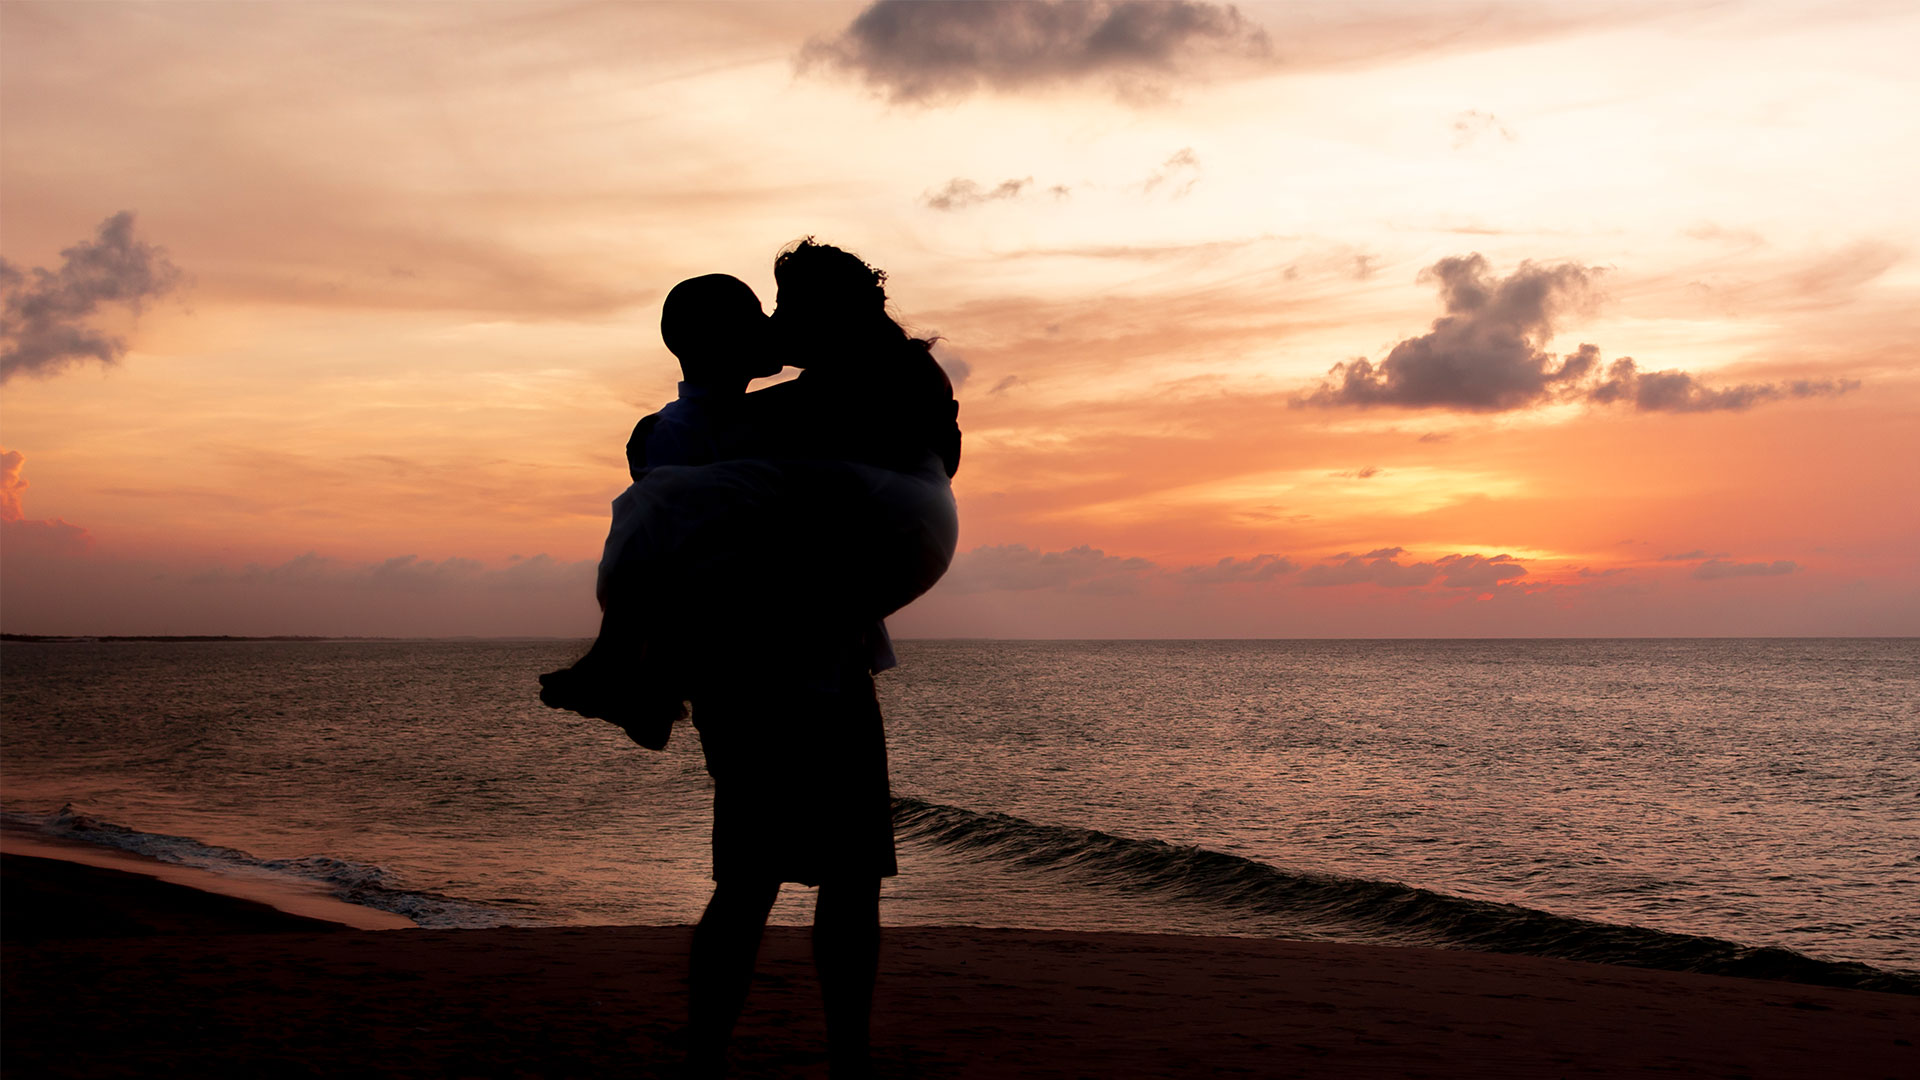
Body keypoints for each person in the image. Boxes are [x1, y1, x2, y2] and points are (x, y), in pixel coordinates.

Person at [541, 240, 960, 1078]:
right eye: (758, 316)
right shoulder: (715, 423)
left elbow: (897, 446)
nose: (774, 326)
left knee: (799, 884)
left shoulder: (816, 398)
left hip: (817, 666)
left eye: (781, 310)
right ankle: (766, 1059)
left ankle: (787, 1059)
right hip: (774, 675)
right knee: (782, 884)